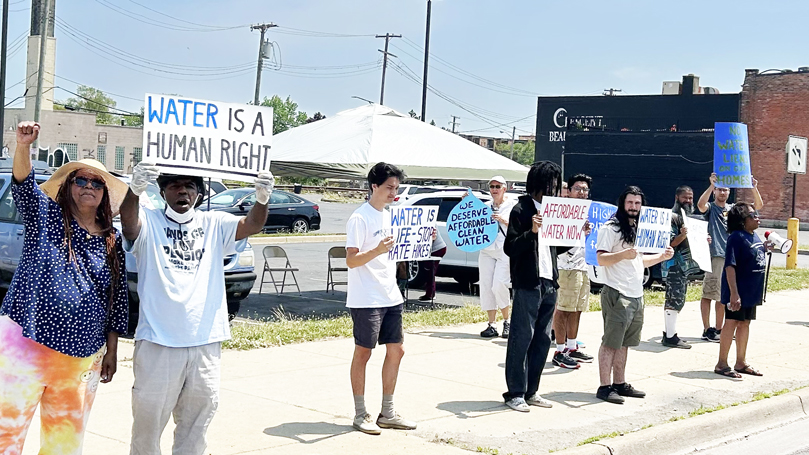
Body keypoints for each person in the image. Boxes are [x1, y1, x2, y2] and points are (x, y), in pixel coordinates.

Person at [121, 162, 273, 454]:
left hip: (204, 342)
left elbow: (252, 224)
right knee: (147, 425)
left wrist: (262, 198)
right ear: (163, 190)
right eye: (175, 185)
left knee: (196, 425)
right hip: (158, 342)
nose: (182, 191)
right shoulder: (150, 221)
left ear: (199, 194)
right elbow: (129, 223)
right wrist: (135, 189)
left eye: (190, 185)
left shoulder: (214, 223)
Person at [0, 122, 129, 454]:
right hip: (23, 349)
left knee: (63, 444)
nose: (88, 186)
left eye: (96, 182)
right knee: (5, 434)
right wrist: (24, 146)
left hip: (79, 359)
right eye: (80, 180)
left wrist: (111, 350)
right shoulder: (46, 216)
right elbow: (24, 186)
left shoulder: (113, 244)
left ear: (104, 193)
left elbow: (116, 304)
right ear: (68, 186)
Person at [346, 162, 416, 435]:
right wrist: (376, 250)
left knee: (397, 349)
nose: (393, 193)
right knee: (364, 352)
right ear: (374, 186)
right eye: (389, 188)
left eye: (396, 188)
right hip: (366, 297)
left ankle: (387, 411)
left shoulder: (391, 216)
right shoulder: (359, 218)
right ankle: (360, 412)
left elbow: (395, 252)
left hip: (390, 293)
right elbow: (351, 260)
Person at [502, 161, 570, 412]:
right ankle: (514, 392)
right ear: (540, 183)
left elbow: (555, 248)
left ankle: (532, 391)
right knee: (522, 337)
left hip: (549, 281)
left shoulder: (554, 210)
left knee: (542, 339)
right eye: (552, 182)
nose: (555, 187)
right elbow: (510, 248)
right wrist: (531, 231)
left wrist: (576, 235)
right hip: (527, 282)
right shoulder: (521, 209)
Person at [595, 186, 673, 404]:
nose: (633, 207)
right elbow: (601, 259)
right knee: (610, 342)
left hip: (636, 294)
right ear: (623, 203)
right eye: (630, 203)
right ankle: (604, 387)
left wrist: (662, 256)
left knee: (625, 343)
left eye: (637, 203)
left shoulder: (640, 229)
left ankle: (619, 383)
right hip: (616, 292)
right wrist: (623, 254)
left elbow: (639, 261)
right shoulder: (611, 228)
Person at [696, 173, 763, 342]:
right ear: (715, 192)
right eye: (720, 190)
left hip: (733, 257)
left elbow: (758, 206)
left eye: (725, 190)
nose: (723, 193)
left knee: (722, 296)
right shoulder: (712, 208)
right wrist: (711, 185)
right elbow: (700, 205)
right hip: (716, 255)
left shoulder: (733, 210)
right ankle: (707, 329)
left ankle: (719, 328)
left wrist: (754, 187)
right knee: (710, 293)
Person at [714, 203, 771, 379]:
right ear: (742, 220)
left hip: (751, 291)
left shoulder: (754, 236)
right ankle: (721, 363)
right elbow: (730, 266)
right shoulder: (736, 237)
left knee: (745, 323)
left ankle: (741, 362)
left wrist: (765, 248)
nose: (757, 217)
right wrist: (734, 293)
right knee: (731, 322)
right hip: (738, 290)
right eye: (753, 215)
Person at [553, 174, 594, 369]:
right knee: (563, 309)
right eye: (577, 189)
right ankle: (559, 349)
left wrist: (584, 231)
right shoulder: (562, 210)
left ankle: (571, 346)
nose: (582, 193)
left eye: (585, 190)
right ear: (568, 191)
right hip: (565, 267)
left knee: (577, 309)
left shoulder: (583, 212)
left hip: (581, 265)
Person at [662, 186, 702, 349]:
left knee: (679, 298)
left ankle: (670, 333)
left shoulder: (690, 218)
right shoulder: (672, 217)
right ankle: (670, 336)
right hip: (673, 265)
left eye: (691, 198)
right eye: (685, 197)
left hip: (684, 266)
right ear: (677, 198)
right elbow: (670, 243)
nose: (688, 201)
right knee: (674, 298)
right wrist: (683, 235)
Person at [479, 176, 517, 338]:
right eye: (492, 187)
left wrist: (503, 220)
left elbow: (520, 225)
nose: (494, 190)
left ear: (504, 188)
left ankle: (507, 321)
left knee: (499, 284)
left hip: (504, 249)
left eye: (497, 186)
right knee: (487, 285)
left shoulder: (512, 206)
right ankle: (491, 323)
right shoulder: (485, 206)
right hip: (486, 249)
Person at [420, 228, 446, 301]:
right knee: (429, 270)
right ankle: (430, 293)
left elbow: (432, 238)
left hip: (437, 249)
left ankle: (430, 294)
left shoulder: (430, 222)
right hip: (437, 248)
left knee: (430, 271)